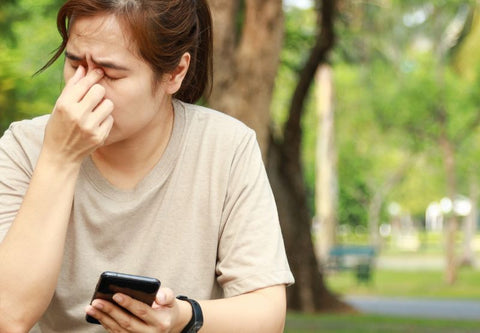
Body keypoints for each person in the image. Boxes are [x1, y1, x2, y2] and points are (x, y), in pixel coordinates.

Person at [0, 0, 294, 332]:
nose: (82, 88)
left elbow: (267, 314)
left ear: (175, 72)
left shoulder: (226, 147)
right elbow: (8, 316)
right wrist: (59, 158)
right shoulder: (24, 147)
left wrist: (183, 318)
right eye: (74, 64)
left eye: (110, 73)